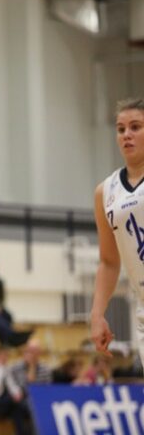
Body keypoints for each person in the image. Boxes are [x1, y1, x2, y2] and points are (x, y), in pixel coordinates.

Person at [91, 99, 144, 364]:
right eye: (121, 129)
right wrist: (97, 313)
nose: (127, 135)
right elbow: (109, 261)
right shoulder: (106, 191)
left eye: (135, 127)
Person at [7, 339, 51, 435]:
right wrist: (31, 368)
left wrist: (32, 367)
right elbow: (24, 389)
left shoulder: (45, 369)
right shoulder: (16, 367)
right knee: (18, 408)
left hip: (40, 400)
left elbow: (46, 389)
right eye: (29, 350)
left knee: (34, 407)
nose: (31, 354)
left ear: (39, 353)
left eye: (34, 351)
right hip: (22, 400)